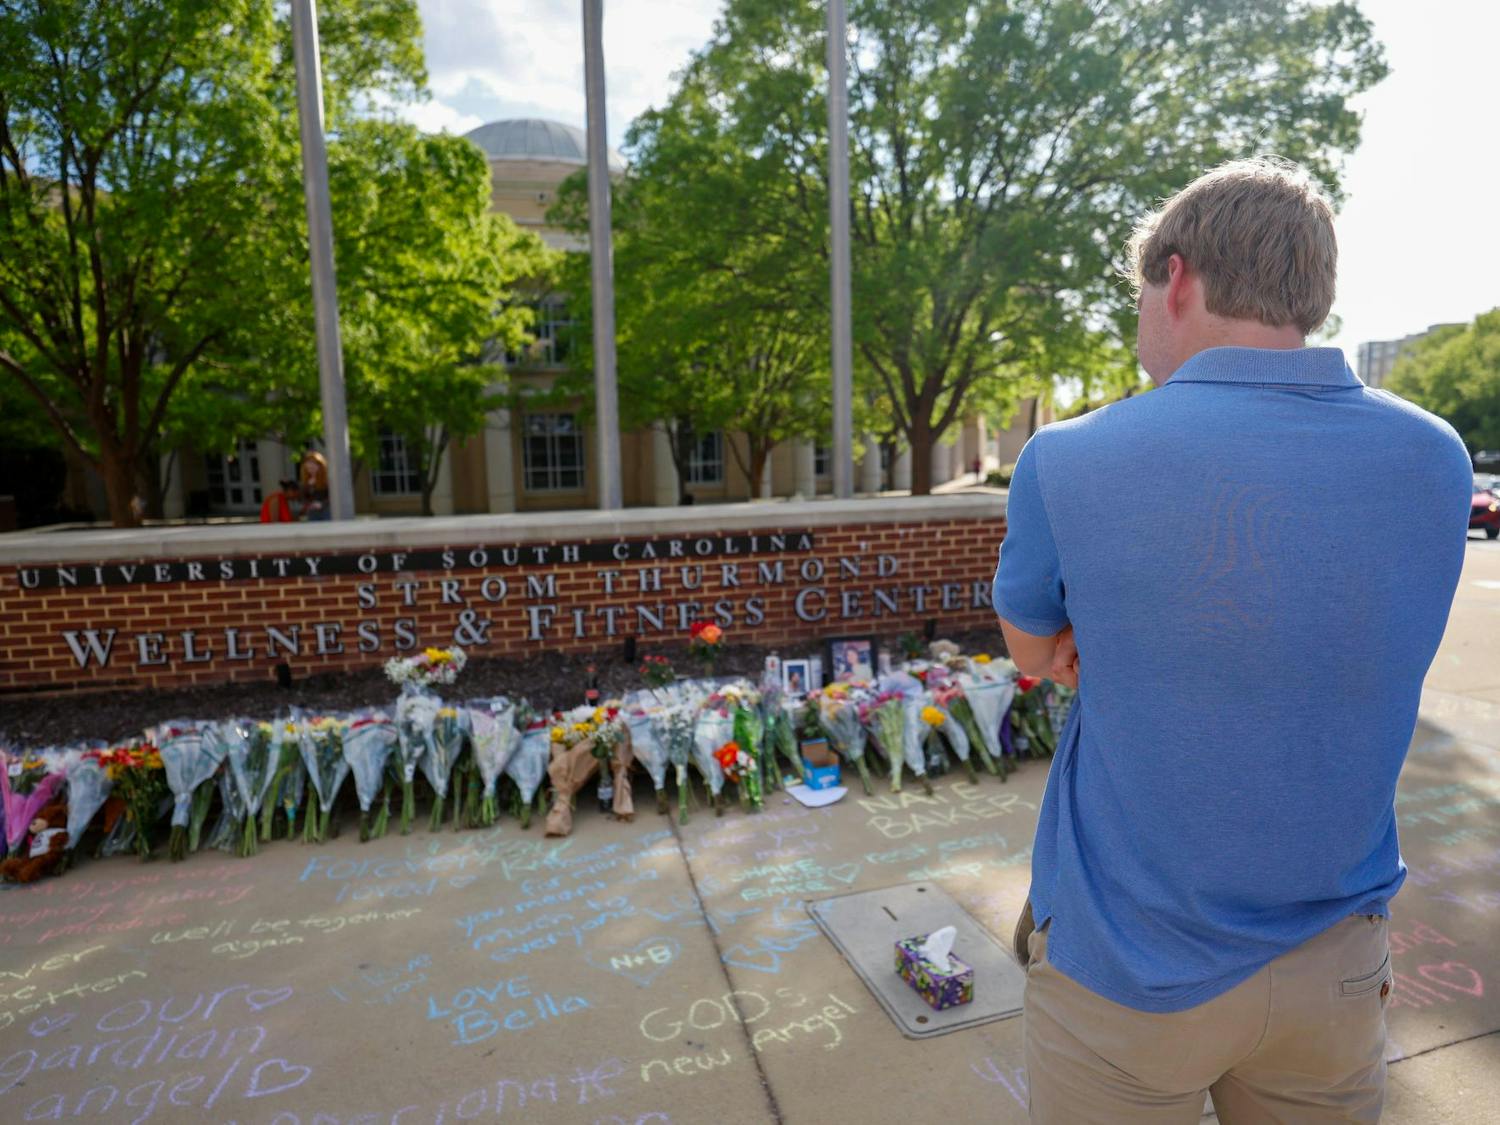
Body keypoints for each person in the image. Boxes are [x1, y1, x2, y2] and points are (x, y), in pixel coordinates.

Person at [991, 157, 1472, 1124]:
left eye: (1138, 295)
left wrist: (1101, 634)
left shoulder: (1071, 459)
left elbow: (1032, 653)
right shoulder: (1435, 456)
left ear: (1175, 278)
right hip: (1334, 959)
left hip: (1125, 966)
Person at [298, 450, 330, 521]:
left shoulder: (327, 479)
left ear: (320, 465)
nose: (311, 469)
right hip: (312, 512)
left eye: (314, 465)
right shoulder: (306, 481)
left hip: (326, 511)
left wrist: (321, 504)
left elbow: (332, 496)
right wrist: (308, 486)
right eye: (309, 468)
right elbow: (302, 497)